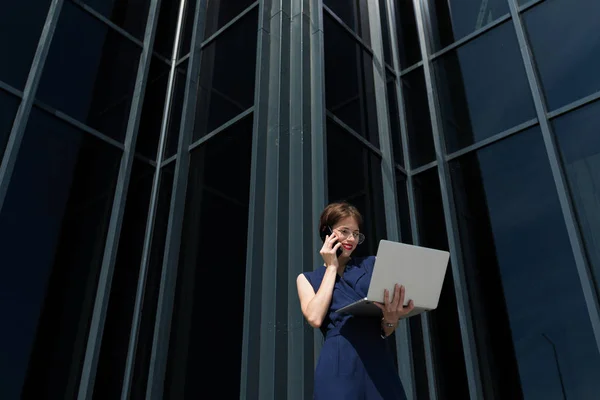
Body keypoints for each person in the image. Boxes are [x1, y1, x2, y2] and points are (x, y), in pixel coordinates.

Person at [296, 201, 414, 399]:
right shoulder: (307, 278)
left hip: (378, 360)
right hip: (338, 363)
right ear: (327, 232)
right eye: (344, 231)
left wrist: (391, 318)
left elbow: (386, 329)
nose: (351, 238)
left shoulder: (372, 264)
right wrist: (331, 267)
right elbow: (315, 318)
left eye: (356, 233)